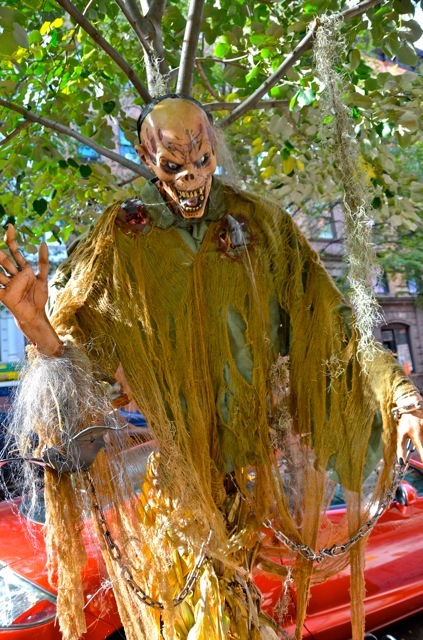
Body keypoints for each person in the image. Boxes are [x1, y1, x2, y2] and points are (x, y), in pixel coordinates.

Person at [0, 94, 422, 640]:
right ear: (149, 162)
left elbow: (331, 320)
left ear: (215, 149)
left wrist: (400, 396)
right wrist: (38, 327)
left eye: (202, 160)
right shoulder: (122, 238)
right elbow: (83, 354)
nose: (192, 177)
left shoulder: (260, 226)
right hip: (175, 488)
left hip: (247, 482)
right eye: (173, 164)